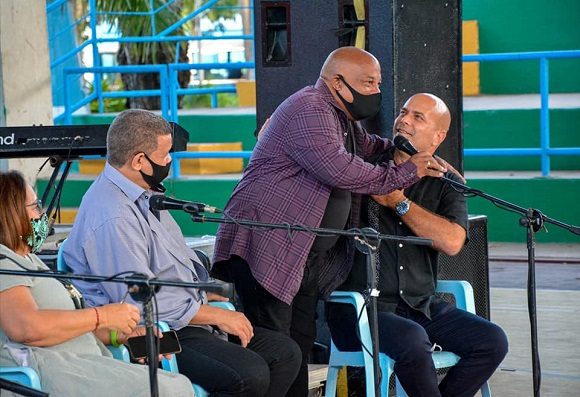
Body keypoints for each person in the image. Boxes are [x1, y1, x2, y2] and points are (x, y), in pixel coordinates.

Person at [211, 46, 450, 396]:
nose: (376, 93)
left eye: (378, 83)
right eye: (368, 83)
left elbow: (371, 145)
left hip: (302, 255)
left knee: (301, 341)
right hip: (267, 248)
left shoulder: (341, 119)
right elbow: (344, 170)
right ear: (337, 82)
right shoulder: (310, 107)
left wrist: (406, 152)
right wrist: (405, 173)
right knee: (280, 349)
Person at [63, 109, 301, 397]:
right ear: (139, 160)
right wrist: (210, 314)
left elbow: (167, 264)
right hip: (157, 332)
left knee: (285, 354)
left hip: (184, 318)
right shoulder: (114, 216)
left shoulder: (142, 192)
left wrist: (201, 292)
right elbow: (137, 301)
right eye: (164, 155)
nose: (169, 161)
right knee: (248, 374)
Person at [326, 93, 509, 397]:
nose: (404, 121)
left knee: (492, 341)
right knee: (413, 339)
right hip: (361, 309)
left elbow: (452, 242)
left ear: (438, 136)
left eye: (417, 117)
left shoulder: (446, 180)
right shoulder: (363, 169)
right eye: (403, 113)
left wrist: (400, 203)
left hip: (420, 304)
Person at [0, 170, 194, 397]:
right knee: (170, 389)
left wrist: (119, 335)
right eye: (35, 206)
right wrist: (101, 316)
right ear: (11, 213)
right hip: (51, 372)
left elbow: (62, 329)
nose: (42, 214)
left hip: (81, 363)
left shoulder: (28, 260)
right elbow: (26, 328)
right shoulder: (4, 260)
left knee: (175, 383)